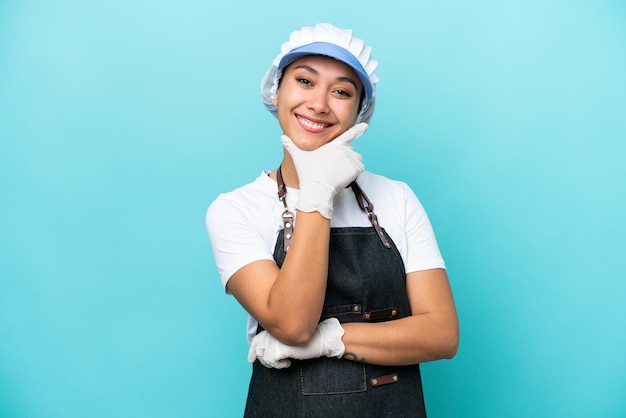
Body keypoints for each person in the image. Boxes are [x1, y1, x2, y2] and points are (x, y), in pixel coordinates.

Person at [206, 23, 459, 417]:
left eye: (341, 91)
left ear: (360, 113)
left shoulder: (397, 198)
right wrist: (317, 193)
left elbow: (441, 334)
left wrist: (331, 338)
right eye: (305, 81)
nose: (319, 104)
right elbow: (291, 324)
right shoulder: (236, 208)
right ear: (277, 91)